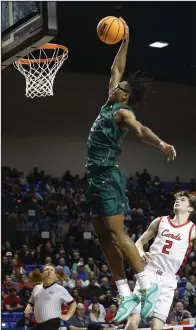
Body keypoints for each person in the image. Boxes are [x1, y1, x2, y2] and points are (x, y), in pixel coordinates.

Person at [85, 17, 176, 323]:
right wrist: (125, 41)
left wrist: (160, 143)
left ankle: (147, 286)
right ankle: (125, 292)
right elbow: (116, 70)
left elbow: (140, 129)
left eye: (120, 88)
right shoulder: (108, 104)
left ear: (125, 96)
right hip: (93, 179)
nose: (114, 87)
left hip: (109, 176)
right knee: (103, 238)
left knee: (116, 233)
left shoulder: (123, 111)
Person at [125, 191, 196, 330]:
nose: (178, 201)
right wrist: (141, 253)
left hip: (168, 280)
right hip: (149, 273)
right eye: (177, 199)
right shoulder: (160, 221)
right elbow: (138, 243)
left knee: (157, 327)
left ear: (191, 208)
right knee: (133, 322)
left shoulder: (193, 230)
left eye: (182, 200)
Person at [25, 263, 77, 330]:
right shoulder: (37, 288)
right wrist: (28, 308)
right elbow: (31, 302)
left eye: (51, 270)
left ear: (55, 275)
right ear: (42, 274)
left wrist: (68, 315)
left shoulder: (60, 289)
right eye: (46, 269)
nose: (49, 271)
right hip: (39, 323)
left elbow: (73, 303)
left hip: (52, 322)